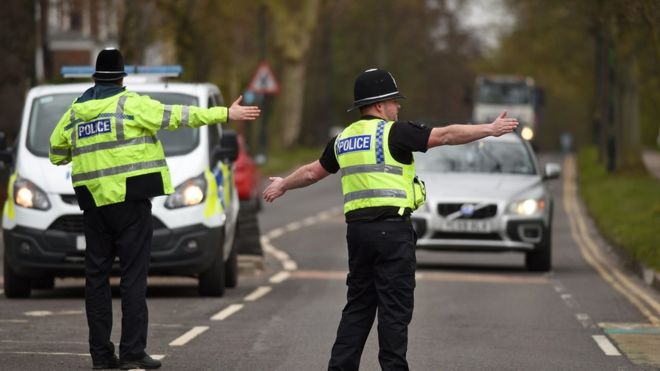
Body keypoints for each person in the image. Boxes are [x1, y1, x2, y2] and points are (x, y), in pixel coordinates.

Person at [263, 68, 518, 371]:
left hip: (358, 235)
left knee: (357, 308)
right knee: (394, 314)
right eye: (395, 101)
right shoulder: (394, 133)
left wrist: (283, 185)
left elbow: (311, 172)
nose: (399, 107)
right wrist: (489, 129)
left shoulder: (343, 139)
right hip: (392, 234)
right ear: (380, 105)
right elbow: (447, 135)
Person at [49, 48, 260, 370]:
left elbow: (55, 151)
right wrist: (224, 115)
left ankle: (101, 356)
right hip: (131, 206)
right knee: (133, 278)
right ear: (121, 77)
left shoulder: (75, 113)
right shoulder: (130, 104)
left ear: (95, 77)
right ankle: (133, 351)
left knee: (96, 280)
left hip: (93, 207)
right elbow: (178, 116)